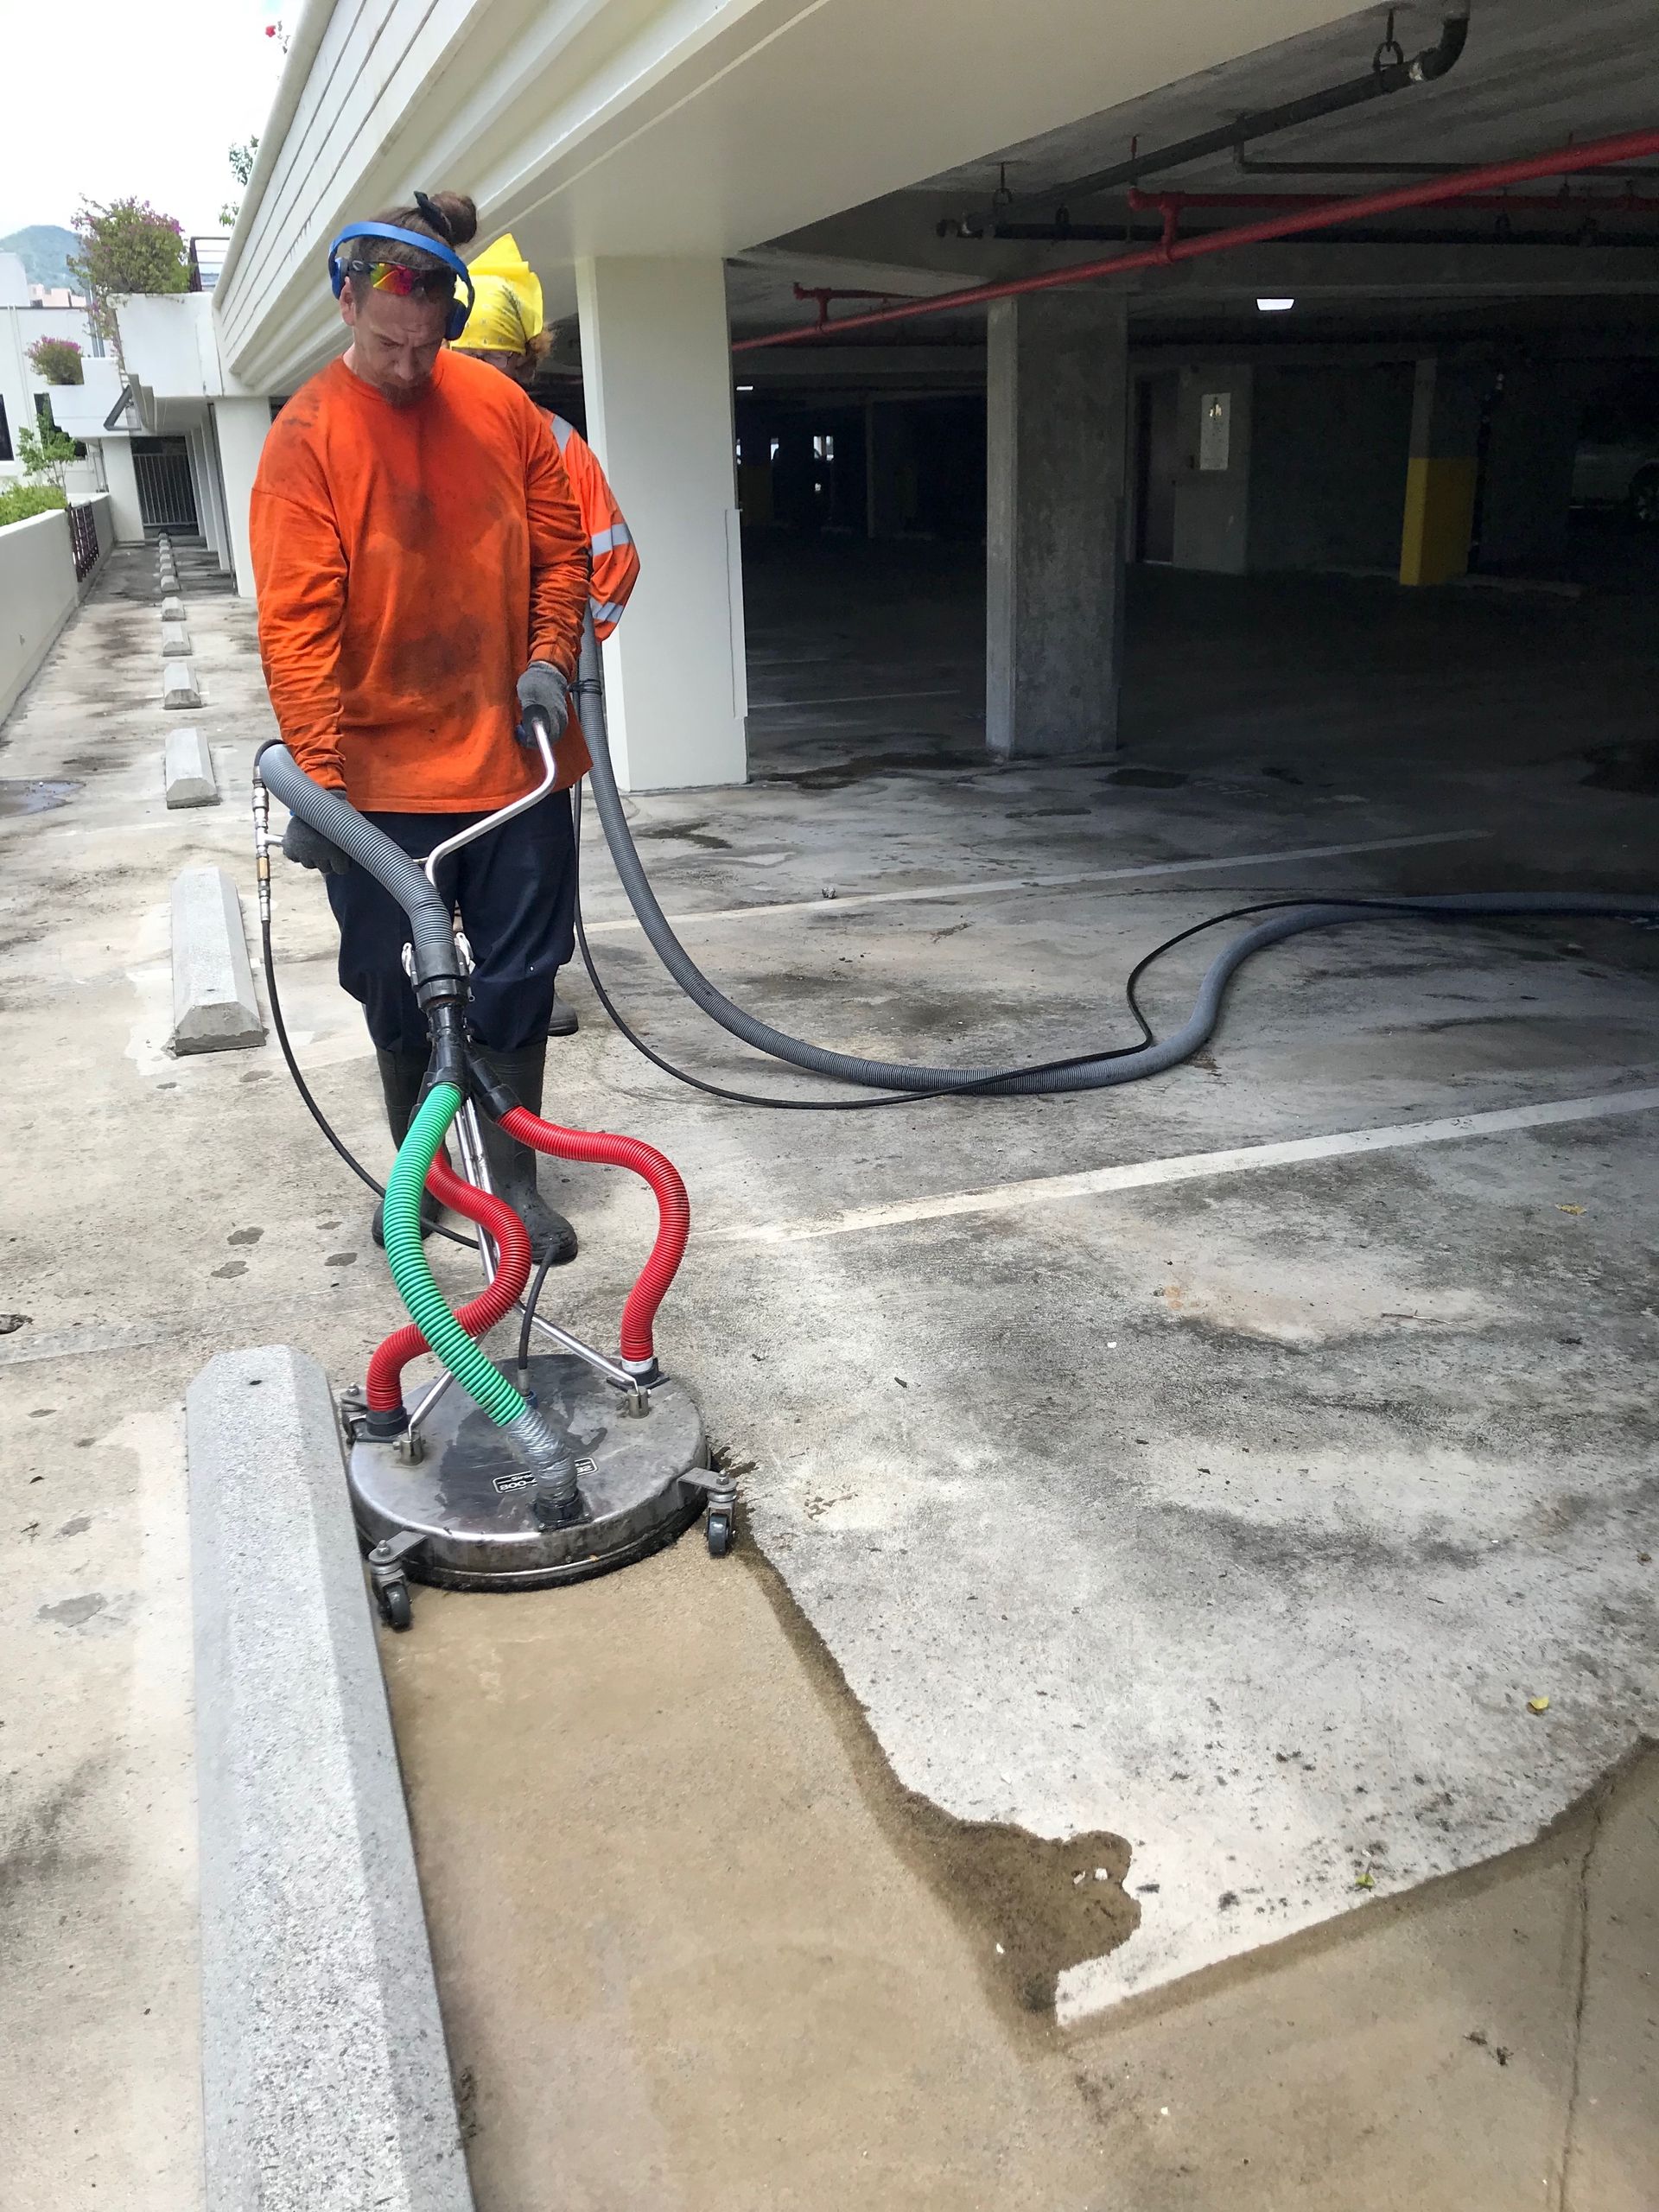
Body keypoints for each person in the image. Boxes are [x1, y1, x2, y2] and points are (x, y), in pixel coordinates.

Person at [250, 189, 590, 1264]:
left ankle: (515, 1185)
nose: (407, 364)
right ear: (349, 305)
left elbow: (561, 552)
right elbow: (296, 627)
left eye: (425, 340)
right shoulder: (306, 439)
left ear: (450, 314)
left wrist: (549, 656)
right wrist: (320, 786)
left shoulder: (498, 408)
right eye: (389, 341)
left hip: (512, 768)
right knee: (393, 987)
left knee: (519, 980)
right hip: (377, 782)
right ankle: (428, 1185)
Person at [449, 232, 641, 1036]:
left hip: (485, 710)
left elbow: (607, 559)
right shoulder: (560, 442)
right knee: (522, 864)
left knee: (469, 857)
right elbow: (617, 563)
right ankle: (515, 991)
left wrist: (556, 659)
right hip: (531, 707)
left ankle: (484, 992)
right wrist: (563, 653)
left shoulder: (429, 443)